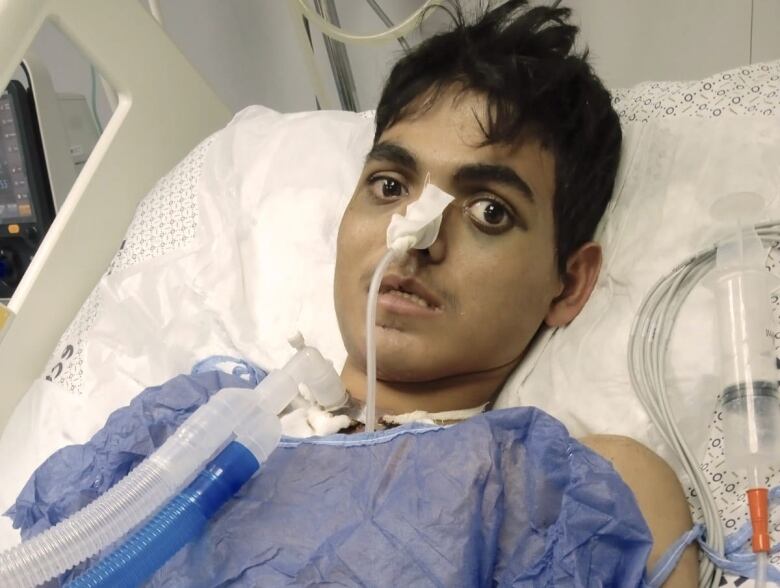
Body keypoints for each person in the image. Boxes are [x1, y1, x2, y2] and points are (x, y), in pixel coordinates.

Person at [7, 1, 697, 585]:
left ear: (569, 283)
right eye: (390, 186)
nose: (414, 235)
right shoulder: (184, 428)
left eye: (489, 210)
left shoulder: (578, 491)